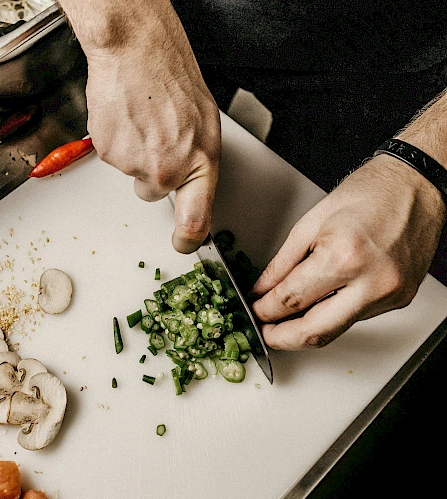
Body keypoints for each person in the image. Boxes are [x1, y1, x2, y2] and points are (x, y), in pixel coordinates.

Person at [57, 0, 447, 350]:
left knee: (365, 268)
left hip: (399, 74)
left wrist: (425, 166)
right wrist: (120, 29)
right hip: (175, 19)